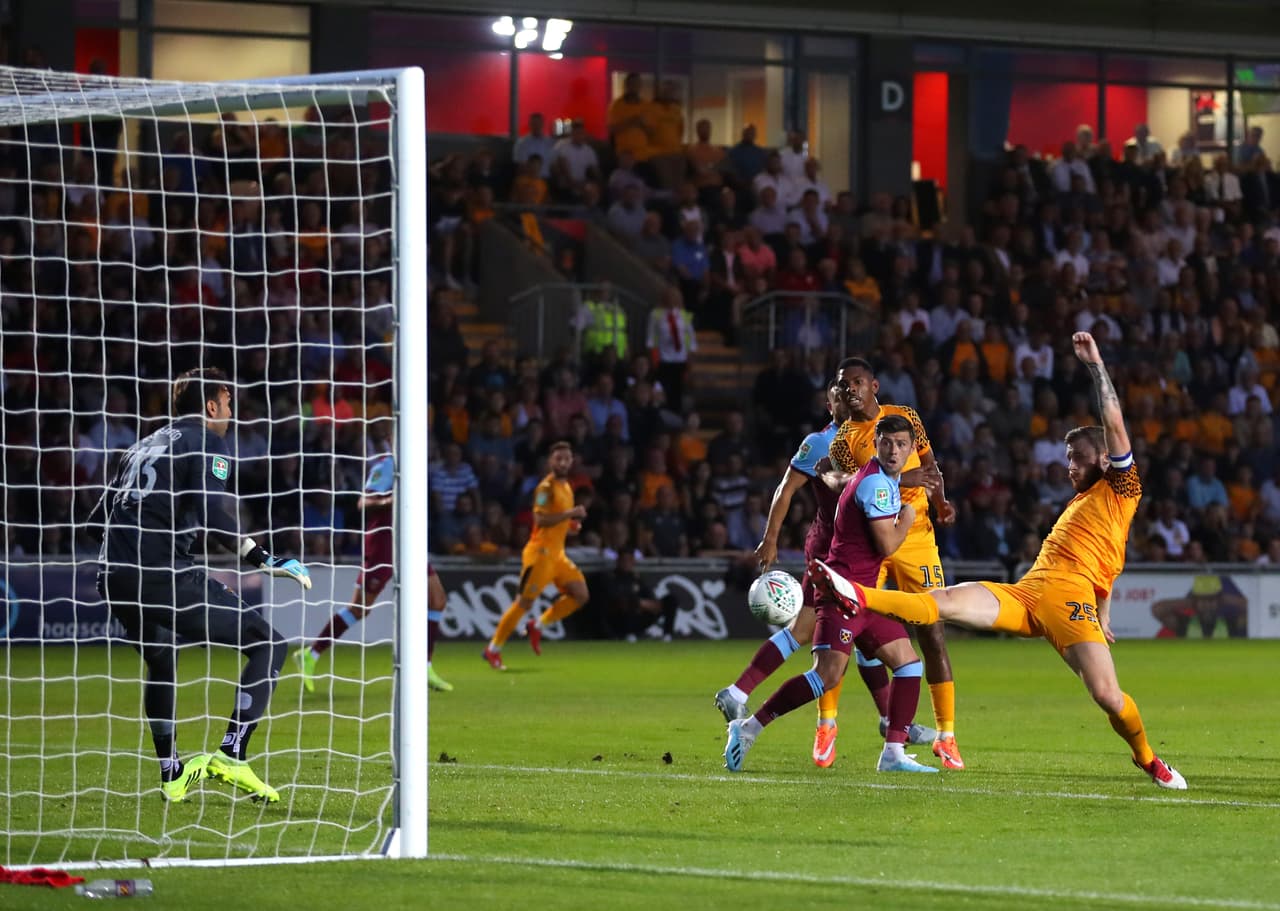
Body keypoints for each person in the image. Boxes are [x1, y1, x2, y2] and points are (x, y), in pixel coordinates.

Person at [811, 333, 1188, 790]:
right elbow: (1111, 562)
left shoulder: (1121, 487)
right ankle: (857, 594)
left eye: (1077, 458)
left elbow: (1113, 418)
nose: (1068, 467)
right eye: (1067, 458)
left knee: (1108, 696)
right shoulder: (1084, 503)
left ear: (1106, 459)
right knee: (942, 602)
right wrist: (1106, 605)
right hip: (1029, 594)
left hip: (1070, 608)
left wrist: (1095, 365)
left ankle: (1148, 759)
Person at [89, 367, 311, 803]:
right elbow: (212, 513)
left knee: (163, 659)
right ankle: (232, 754)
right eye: (228, 403)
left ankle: (172, 771)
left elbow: (97, 519)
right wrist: (262, 557)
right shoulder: (208, 440)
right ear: (212, 405)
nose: (230, 412)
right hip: (162, 574)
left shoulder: (138, 447)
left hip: (112, 575)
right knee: (269, 644)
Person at [714, 375, 935, 767]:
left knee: (907, 661)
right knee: (825, 675)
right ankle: (751, 726)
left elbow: (839, 479)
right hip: (844, 590)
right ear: (876, 442)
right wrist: (910, 513)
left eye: (904, 445)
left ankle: (894, 747)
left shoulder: (874, 474)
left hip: (862, 592)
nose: (897, 450)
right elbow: (886, 543)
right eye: (890, 443)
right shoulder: (872, 482)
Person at [820, 358, 963, 770]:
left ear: (875, 385)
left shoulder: (906, 417)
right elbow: (847, 486)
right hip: (876, 541)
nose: (850, 390)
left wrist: (940, 503)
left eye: (857, 382)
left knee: (933, 632)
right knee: (847, 631)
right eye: (844, 385)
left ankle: (946, 735)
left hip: (916, 538)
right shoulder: (844, 440)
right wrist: (899, 482)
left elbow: (930, 466)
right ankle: (827, 725)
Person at [295, 444, 452, 694]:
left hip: (409, 541)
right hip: (384, 542)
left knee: (437, 600)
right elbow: (363, 502)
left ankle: (425, 666)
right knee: (359, 609)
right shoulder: (387, 465)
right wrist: (392, 498)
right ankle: (311, 654)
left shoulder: (418, 465)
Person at [483, 441, 590, 669]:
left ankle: (538, 625)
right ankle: (492, 649)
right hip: (540, 554)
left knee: (581, 594)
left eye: (566, 458)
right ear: (550, 462)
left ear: (572, 461)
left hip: (557, 555)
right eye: (558, 458)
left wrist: (569, 525)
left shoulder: (566, 486)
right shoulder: (545, 488)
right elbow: (540, 520)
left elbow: (557, 519)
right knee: (523, 603)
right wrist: (570, 513)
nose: (562, 462)